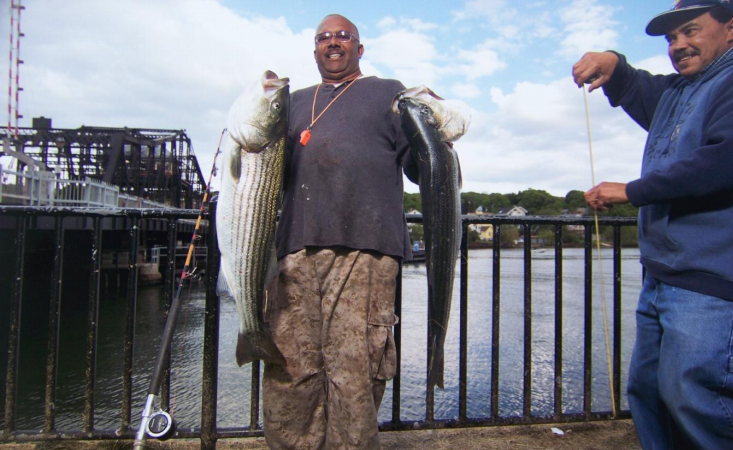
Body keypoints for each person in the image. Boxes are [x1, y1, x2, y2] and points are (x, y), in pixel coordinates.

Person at [572, 1, 733, 448]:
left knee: (697, 400)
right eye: (670, 38)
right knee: (650, 393)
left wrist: (632, 191)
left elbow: (721, 162)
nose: (678, 45)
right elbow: (639, 89)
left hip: (713, 281)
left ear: (731, 28)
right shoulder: (680, 91)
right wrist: (614, 64)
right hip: (662, 275)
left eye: (691, 31)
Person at [261, 13, 418, 449]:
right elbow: (262, 167)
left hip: (366, 249)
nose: (334, 43)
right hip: (294, 250)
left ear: (359, 49)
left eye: (344, 36)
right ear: (314, 51)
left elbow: (425, 169)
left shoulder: (388, 93)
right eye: (324, 38)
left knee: (354, 372)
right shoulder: (292, 102)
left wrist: (433, 125)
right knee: (289, 369)